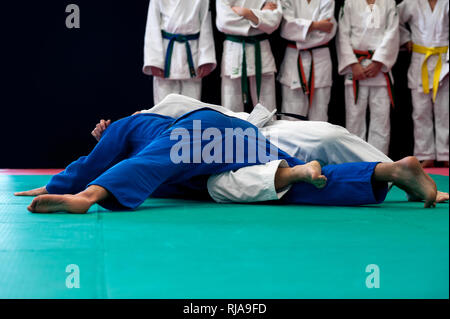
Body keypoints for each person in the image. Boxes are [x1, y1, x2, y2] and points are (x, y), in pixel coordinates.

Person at [91, 94, 449, 204]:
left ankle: (395, 170)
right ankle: (395, 171)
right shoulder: (138, 157)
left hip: (254, 135)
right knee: (224, 187)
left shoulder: (160, 113)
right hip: (222, 167)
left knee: (329, 137)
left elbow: (201, 125)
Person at [337, 0, 399, 155]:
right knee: (354, 118)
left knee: (381, 120)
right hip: (356, 67)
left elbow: (392, 32)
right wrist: (353, 63)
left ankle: (380, 162)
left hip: (380, 69)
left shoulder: (389, 3)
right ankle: (356, 159)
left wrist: (378, 61)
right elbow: (342, 34)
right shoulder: (350, 2)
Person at [398, 0, 449, 168]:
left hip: (444, 60)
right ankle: (425, 153)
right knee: (420, 111)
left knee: (445, 110)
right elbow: (392, 20)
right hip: (420, 60)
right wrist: (405, 39)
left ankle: (445, 152)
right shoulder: (411, 2)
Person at [143, 0, 216, 104]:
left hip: (192, 54)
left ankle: (195, 122)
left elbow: (206, 25)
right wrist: (154, 61)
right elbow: (152, 26)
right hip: (166, 58)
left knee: (193, 105)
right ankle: (167, 121)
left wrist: (206, 59)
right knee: (164, 105)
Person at [216, 0, 282, 112]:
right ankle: (232, 129)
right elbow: (224, 21)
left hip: (261, 48)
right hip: (234, 48)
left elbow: (274, 21)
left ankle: (266, 129)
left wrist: (246, 13)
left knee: (267, 108)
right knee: (231, 106)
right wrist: (260, 16)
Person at [278, 0, 337, 121]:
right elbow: (286, 27)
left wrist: (300, 31)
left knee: (320, 117)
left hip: (320, 59)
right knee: (291, 116)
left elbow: (328, 30)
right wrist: (316, 25)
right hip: (294, 59)